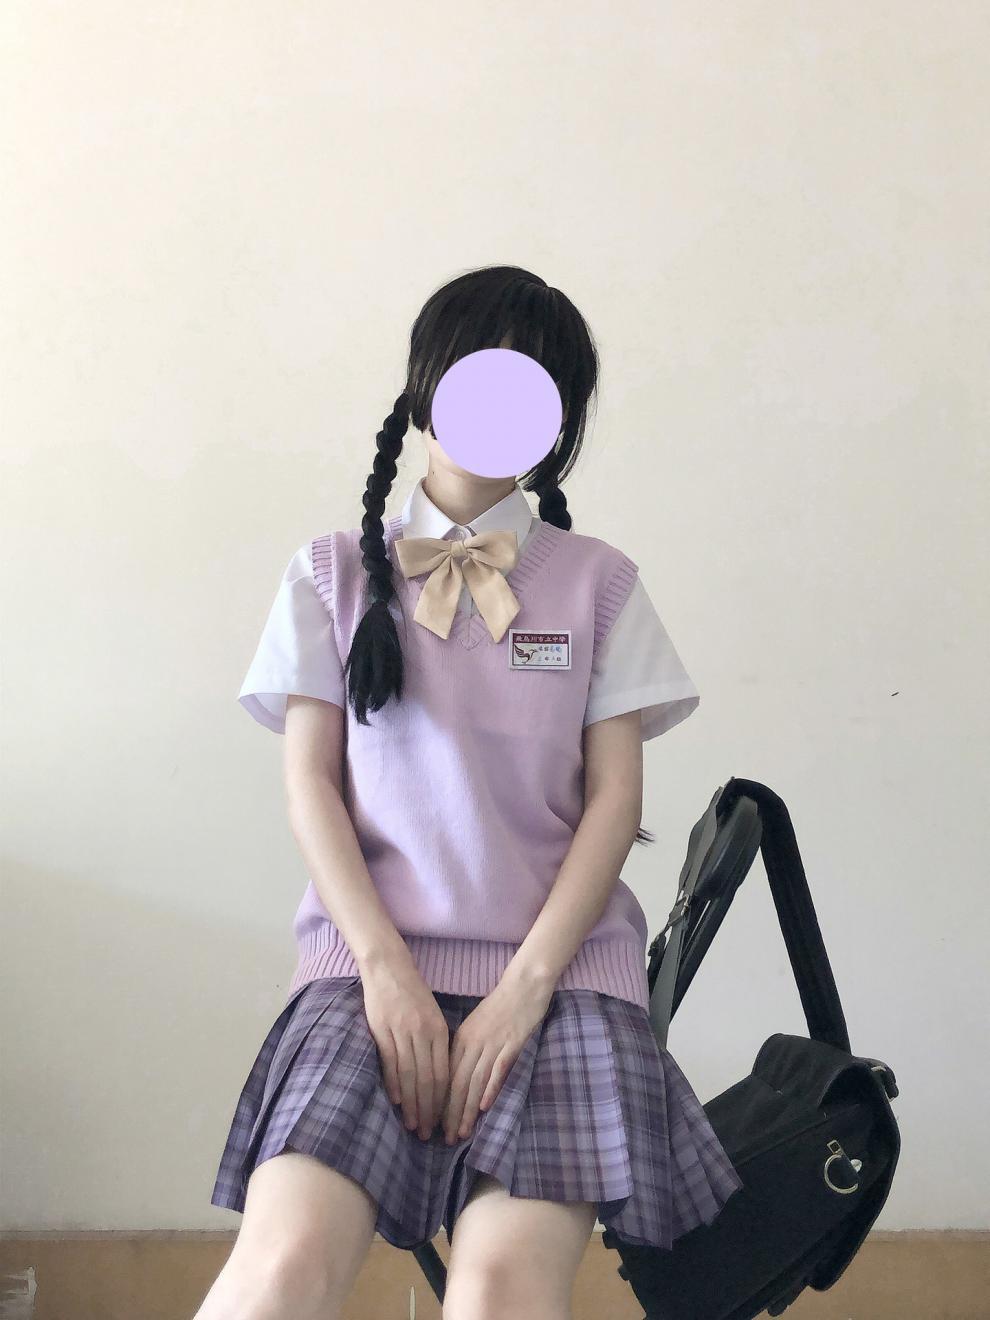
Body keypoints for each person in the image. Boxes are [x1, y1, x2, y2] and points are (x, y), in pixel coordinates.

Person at [198, 265, 742, 1320]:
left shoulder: (599, 583)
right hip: (368, 969)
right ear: (423, 386)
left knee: (498, 1289)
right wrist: (384, 971)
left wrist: (525, 990)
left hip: (562, 981)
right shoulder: (329, 575)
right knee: (283, 1266)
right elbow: (310, 784)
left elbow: (615, 805)